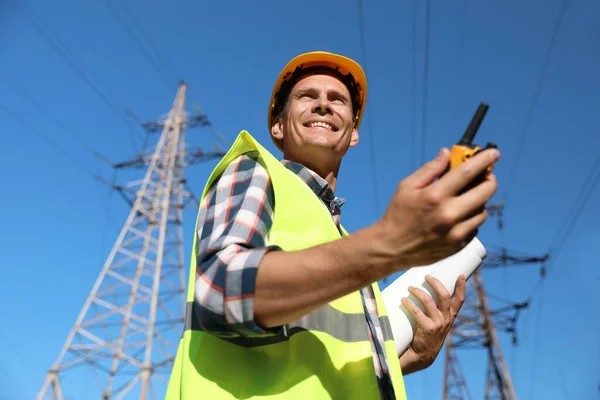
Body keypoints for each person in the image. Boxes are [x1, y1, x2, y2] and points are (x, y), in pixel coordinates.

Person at [166, 51, 500, 400]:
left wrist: (410, 357)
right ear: (278, 126)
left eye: (338, 100)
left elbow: (322, 369)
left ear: (353, 133)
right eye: (306, 96)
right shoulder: (256, 171)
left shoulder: (344, 245)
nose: (323, 105)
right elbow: (221, 293)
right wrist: (390, 243)